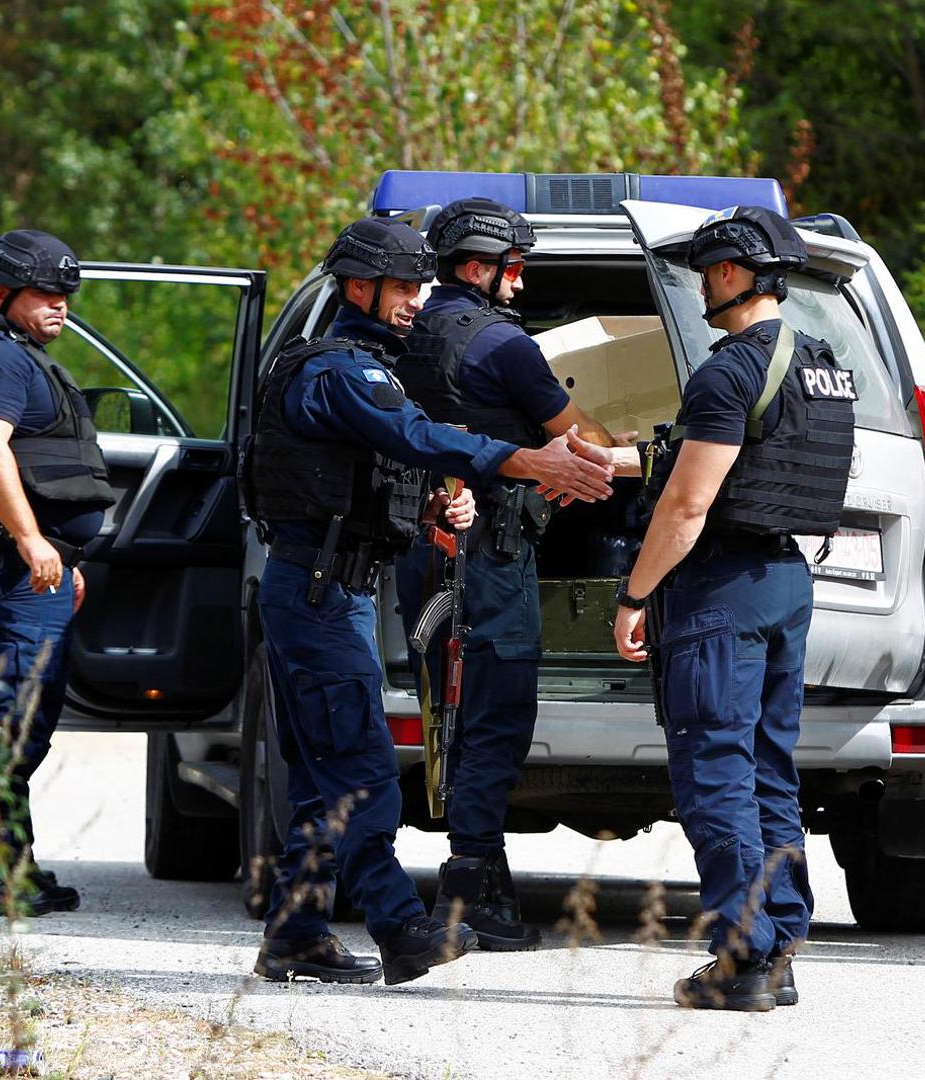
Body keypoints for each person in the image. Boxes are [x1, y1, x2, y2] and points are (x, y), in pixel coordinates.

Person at [243, 218, 613, 986]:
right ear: (358, 287)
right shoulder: (344, 372)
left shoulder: (367, 365)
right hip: (317, 592)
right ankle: (398, 926)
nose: (415, 301)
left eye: (419, 285)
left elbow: (377, 468)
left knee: (320, 772)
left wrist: (436, 512)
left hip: (326, 586)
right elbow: (411, 433)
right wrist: (518, 457)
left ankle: (297, 933)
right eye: (403, 287)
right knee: (361, 766)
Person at [563, 206, 855, 1011]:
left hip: (720, 591)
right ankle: (778, 945)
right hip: (787, 584)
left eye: (704, 272)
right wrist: (618, 458)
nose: (699, 285)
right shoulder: (822, 366)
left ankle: (741, 956)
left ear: (731, 273)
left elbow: (689, 506)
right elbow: (728, 456)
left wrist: (635, 594)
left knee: (715, 775)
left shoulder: (728, 369)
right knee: (768, 772)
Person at [393, 197, 628, 951]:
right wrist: (615, 441)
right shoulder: (505, 346)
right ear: (475, 266)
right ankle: (470, 895)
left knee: (446, 715)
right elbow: (580, 439)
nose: (520, 286)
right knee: (494, 714)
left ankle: (480, 876)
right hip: (489, 552)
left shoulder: (408, 329)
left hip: (423, 546)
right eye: (514, 269)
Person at [0, 229, 115, 917]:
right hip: (8, 572)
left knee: (24, 721)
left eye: (66, 293)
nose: (59, 304)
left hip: (34, 573)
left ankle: (10, 860)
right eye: (44, 292)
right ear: (2, 294)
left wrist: (60, 558)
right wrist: (32, 538)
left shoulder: (23, 358)